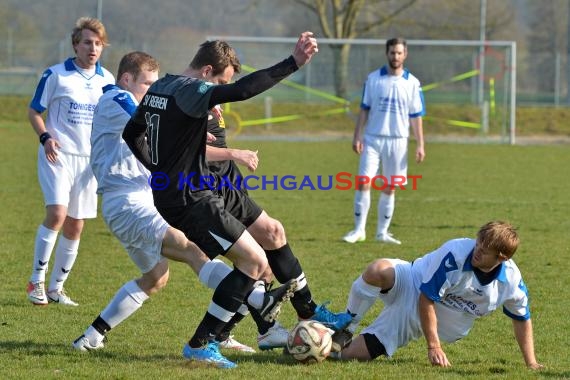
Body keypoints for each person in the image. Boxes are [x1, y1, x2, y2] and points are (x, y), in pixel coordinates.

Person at [123, 33, 351, 369]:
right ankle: (204, 342)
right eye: (219, 83)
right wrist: (293, 63)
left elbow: (132, 133)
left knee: (271, 235)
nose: (220, 96)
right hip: (188, 197)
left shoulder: (162, 87)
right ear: (207, 72)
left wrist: (159, 168)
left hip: (198, 187)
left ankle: (304, 310)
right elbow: (242, 91)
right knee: (254, 263)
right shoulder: (191, 88)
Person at [73, 52, 290, 354]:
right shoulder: (116, 99)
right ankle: (260, 306)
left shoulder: (131, 100)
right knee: (194, 250)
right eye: (147, 83)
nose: (152, 90)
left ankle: (92, 335)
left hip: (138, 199)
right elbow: (152, 123)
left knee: (155, 278)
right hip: (127, 201)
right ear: (126, 79)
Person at [330, 221, 544, 370]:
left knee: (346, 355)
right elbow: (426, 298)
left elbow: (521, 318)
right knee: (377, 270)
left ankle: (316, 343)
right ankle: (346, 327)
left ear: (502, 257)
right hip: (413, 281)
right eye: (478, 242)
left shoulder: (511, 282)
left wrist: (531, 362)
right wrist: (434, 347)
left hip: (432, 319)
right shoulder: (457, 253)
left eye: (484, 250)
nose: (476, 250)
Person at [27, 17, 115, 306]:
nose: (93, 48)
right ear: (76, 45)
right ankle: (35, 283)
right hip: (58, 155)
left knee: (76, 225)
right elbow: (35, 112)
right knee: (56, 214)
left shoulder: (108, 80)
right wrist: (46, 137)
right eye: (87, 42)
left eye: (98, 43)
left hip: (90, 162)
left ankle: (56, 288)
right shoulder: (56, 75)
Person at [343, 37, 425, 245]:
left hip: (398, 140)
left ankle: (382, 233)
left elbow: (416, 116)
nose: (395, 56)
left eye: (399, 53)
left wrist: (420, 144)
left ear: (405, 54)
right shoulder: (373, 79)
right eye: (392, 52)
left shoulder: (413, 83)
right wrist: (357, 135)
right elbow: (364, 109)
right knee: (363, 182)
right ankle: (358, 230)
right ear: (386, 54)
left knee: (390, 186)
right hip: (372, 139)